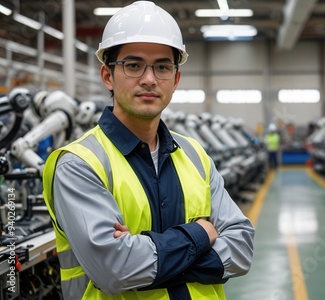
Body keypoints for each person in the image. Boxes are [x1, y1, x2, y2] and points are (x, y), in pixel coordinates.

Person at [42, 2, 254, 299]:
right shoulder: (80, 164)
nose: (149, 79)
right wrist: (200, 234)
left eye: (163, 67)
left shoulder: (194, 155)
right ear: (107, 76)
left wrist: (144, 255)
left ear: (175, 79)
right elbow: (114, 271)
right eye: (133, 65)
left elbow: (242, 248)